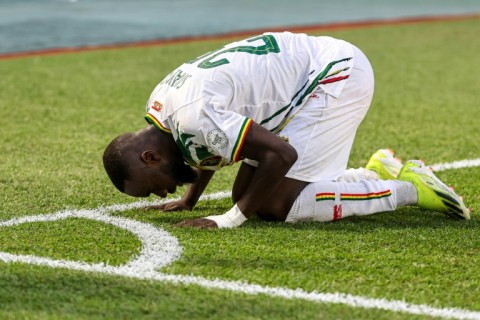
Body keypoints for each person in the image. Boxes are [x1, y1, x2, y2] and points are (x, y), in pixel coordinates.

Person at [102, 32, 470, 228]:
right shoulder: (162, 108)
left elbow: (281, 153)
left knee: (277, 203)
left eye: (151, 189)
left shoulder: (193, 116)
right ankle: (371, 172)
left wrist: (230, 220)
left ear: (149, 157)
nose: (160, 192)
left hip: (334, 76)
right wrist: (190, 199)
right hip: (311, 70)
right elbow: (207, 145)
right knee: (248, 193)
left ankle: (407, 190)